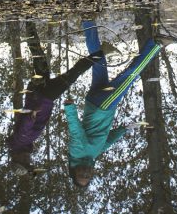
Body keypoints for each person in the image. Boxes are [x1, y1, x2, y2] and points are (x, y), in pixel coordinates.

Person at [65, 19, 168, 187]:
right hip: (94, 102)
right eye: (88, 176)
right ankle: (87, 21)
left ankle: (156, 44)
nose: (85, 173)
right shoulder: (92, 156)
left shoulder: (77, 153)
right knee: (98, 61)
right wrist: (125, 129)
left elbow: (76, 131)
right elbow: (108, 140)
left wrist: (69, 108)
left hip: (103, 107)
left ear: (74, 171)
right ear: (92, 174)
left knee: (129, 77)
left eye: (81, 175)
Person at [8, 22, 95, 174]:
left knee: (72, 75)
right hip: (38, 94)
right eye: (29, 163)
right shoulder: (21, 143)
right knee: (39, 57)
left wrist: (33, 114)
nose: (28, 160)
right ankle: (30, 24)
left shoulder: (21, 141)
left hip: (43, 97)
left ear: (18, 158)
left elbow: (25, 126)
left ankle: (99, 54)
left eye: (25, 162)